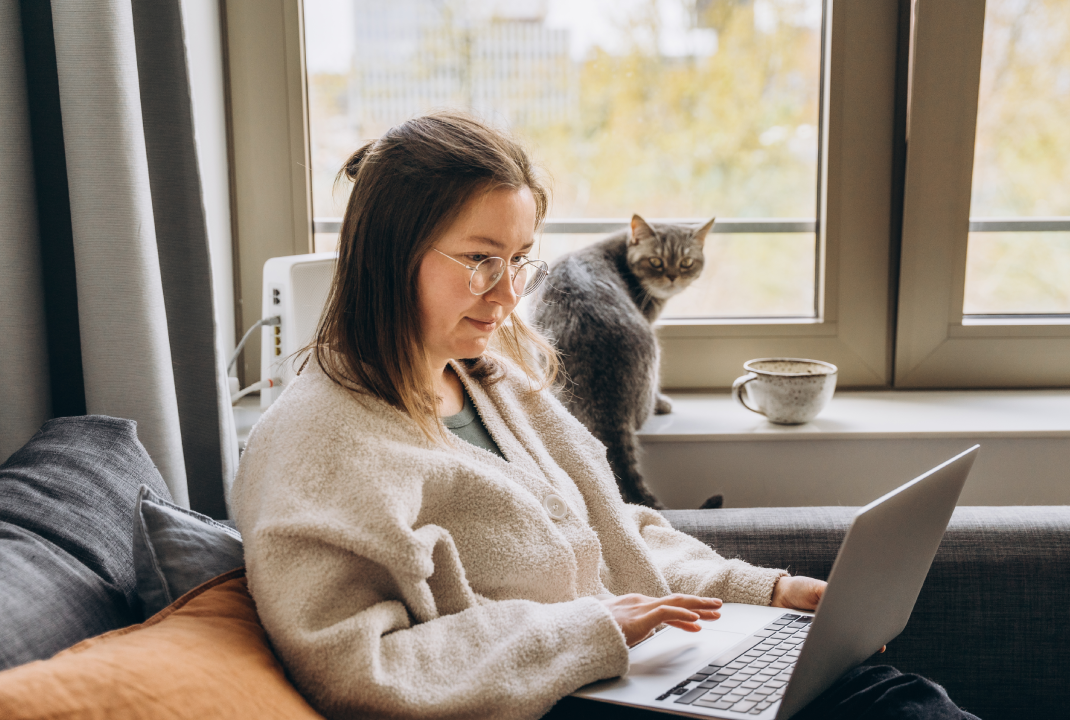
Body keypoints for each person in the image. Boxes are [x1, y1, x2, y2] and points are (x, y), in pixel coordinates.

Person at [232, 111, 976, 720]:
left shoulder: (494, 383)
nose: (506, 295)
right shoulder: (320, 443)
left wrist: (763, 592)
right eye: (479, 259)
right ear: (388, 255)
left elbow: (614, 535)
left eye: (519, 260)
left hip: (634, 674)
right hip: (555, 700)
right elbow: (356, 669)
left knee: (900, 700)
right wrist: (586, 632)